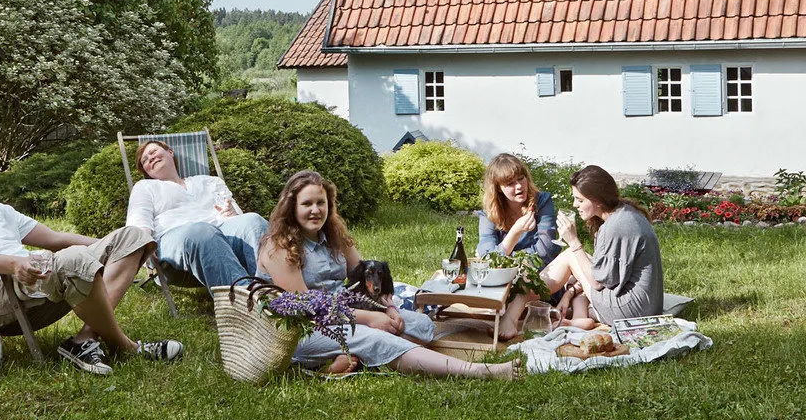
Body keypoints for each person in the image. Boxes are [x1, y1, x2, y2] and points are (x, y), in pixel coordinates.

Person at [0, 152, 183, 377]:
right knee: (73, 259)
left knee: (133, 236)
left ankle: (84, 339)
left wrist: (114, 247)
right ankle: (126, 347)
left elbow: (55, 238)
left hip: (38, 277)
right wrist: (14, 264)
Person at [256, 170, 517, 380]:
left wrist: (389, 308)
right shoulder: (279, 247)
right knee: (376, 337)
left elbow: (364, 281)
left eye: (321, 203)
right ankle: (478, 372)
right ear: (291, 207)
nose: (316, 210)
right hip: (301, 331)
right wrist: (369, 318)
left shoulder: (333, 235)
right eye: (307, 204)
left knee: (418, 324)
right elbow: (309, 308)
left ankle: (345, 360)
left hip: (346, 314)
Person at [498, 164, 664, 334]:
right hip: (645, 306)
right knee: (577, 262)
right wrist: (569, 292)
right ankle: (578, 319)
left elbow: (597, 282)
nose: (574, 204)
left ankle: (512, 313)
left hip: (631, 312)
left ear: (598, 200)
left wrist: (573, 241)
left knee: (571, 255)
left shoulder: (617, 226)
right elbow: (609, 274)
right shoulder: (625, 213)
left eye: (580, 199)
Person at [126, 140, 268, 287]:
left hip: (222, 234)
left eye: (153, 152)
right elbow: (138, 221)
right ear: (146, 171)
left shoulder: (210, 181)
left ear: (170, 152)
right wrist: (144, 246)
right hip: (174, 246)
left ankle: (271, 291)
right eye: (145, 160)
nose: (150, 158)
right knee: (202, 230)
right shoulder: (145, 187)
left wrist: (232, 213)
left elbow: (238, 217)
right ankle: (246, 300)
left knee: (253, 221)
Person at [476, 153, 559, 266]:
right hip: (503, 277)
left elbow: (546, 251)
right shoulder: (489, 213)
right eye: (510, 184)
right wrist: (515, 231)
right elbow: (488, 257)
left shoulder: (542, 202)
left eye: (521, 178)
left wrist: (506, 258)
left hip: (541, 272)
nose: (519, 186)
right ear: (498, 188)